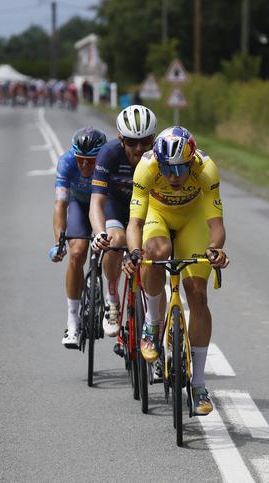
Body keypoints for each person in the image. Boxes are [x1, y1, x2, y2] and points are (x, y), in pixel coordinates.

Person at [122, 126, 229, 416]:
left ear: (191, 161)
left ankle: (198, 384)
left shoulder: (206, 169)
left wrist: (214, 250)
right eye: (169, 169)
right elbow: (134, 224)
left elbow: (215, 226)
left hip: (192, 220)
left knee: (197, 295)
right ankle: (153, 323)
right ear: (159, 162)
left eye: (181, 168)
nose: (174, 177)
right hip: (157, 216)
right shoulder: (145, 168)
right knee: (156, 254)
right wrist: (134, 252)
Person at [88, 105, 157, 338]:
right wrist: (99, 234)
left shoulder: (160, 155)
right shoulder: (109, 154)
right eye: (131, 142)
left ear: (154, 139)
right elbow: (97, 201)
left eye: (145, 141)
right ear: (120, 140)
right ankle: (112, 298)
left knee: (152, 250)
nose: (139, 149)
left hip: (146, 209)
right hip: (116, 205)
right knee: (115, 240)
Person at [49, 127, 108, 348]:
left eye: (91, 161)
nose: (84, 165)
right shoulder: (66, 162)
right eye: (81, 159)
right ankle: (72, 322)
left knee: (114, 248)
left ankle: (113, 305)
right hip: (78, 205)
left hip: (104, 203)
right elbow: (60, 204)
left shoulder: (108, 161)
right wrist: (59, 241)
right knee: (77, 252)